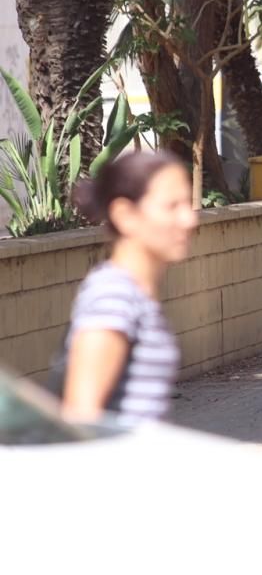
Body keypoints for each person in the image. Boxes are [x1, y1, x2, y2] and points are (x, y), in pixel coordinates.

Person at [54, 150, 198, 424]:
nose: (189, 220)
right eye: (171, 206)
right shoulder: (113, 294)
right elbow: (81, 420)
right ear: (125, 215)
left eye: (188, 204)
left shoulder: (132, 293)